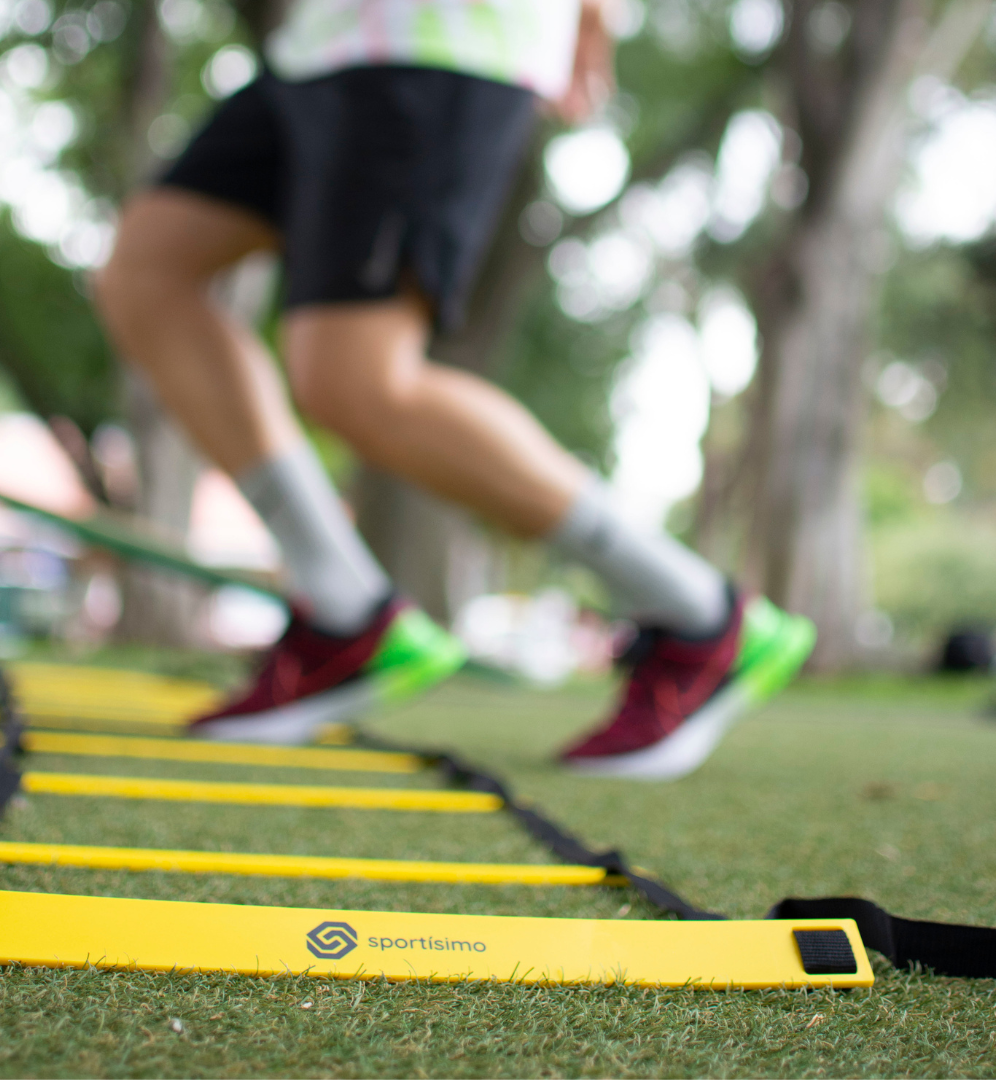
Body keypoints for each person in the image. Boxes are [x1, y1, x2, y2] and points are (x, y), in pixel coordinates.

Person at [94, 0, 814, 780]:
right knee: (147, 273)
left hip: (440, 38)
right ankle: (343, 612)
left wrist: (591, 18)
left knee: (359, 383)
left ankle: (702, 617)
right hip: (319, 43)